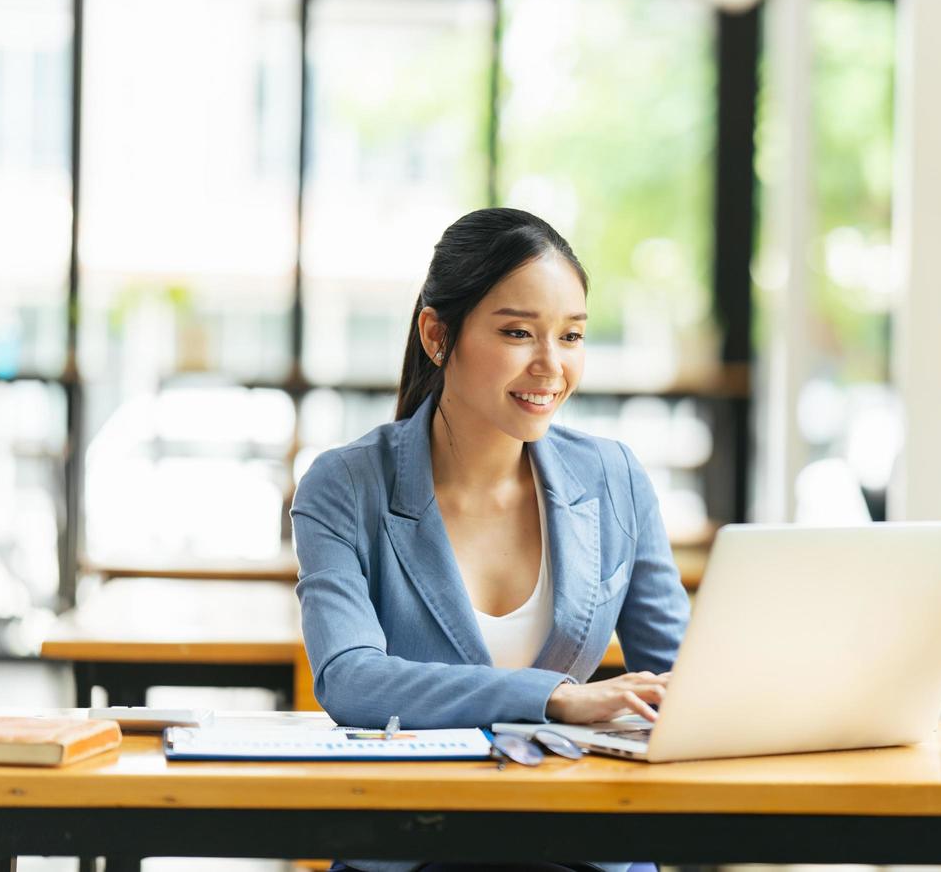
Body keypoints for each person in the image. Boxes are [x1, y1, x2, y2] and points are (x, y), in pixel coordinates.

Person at [292, 208, 691, 872]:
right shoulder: (346, 486)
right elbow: (350, 678)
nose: (551, 366)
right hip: (413, 846)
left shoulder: (614, 477)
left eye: (571, 336)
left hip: (580, 842)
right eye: (517, 333)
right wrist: (553, 695)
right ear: (436, 334)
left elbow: (686, 676)